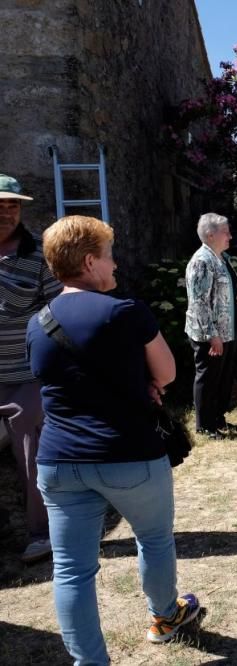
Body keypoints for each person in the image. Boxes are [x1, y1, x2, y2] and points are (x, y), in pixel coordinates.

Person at [27, 215, 201, 665]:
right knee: (155, 539)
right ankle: (165, 617)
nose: (116, 264)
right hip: (129, 454)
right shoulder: (126, 311)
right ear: (89, 262)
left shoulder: (37, 323)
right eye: (109, 255)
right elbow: (167, 374)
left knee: (70, 571)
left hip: (60, 461)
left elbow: (53, 380)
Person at [0, 174, 61, 563]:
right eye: (0, 205)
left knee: (31, 459)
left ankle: (43, 534)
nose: (7, 212)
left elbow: (55, 313)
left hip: (25, 378)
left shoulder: (38, 254)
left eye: (13, 205)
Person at [183, 213, 237, 440]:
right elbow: (198, 302)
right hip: (210, 334)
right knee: (208, 378)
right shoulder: (202, 261)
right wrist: (211, 335)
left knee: (222, 377)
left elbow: (231, 293)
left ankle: (217, 417)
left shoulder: (221, 257)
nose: (230, 236)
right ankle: (205, 425)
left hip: (227, 331)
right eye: (225, 231)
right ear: (210, 235)